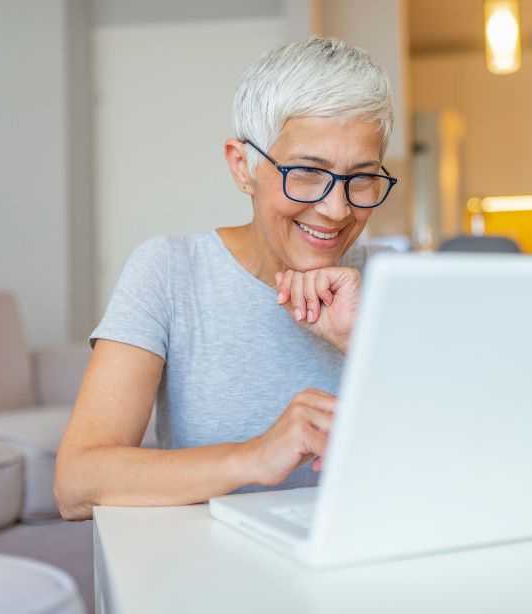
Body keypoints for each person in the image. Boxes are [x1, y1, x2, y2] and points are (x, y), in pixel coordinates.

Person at [54, 37, 397, 520]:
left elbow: (479, 450)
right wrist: (254, 456)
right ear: (243, 166)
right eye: (305, 172)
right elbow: (77, 483)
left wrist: (365, 341)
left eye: (361, 177)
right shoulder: (170, 271)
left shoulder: (395, 281)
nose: (337, 209)